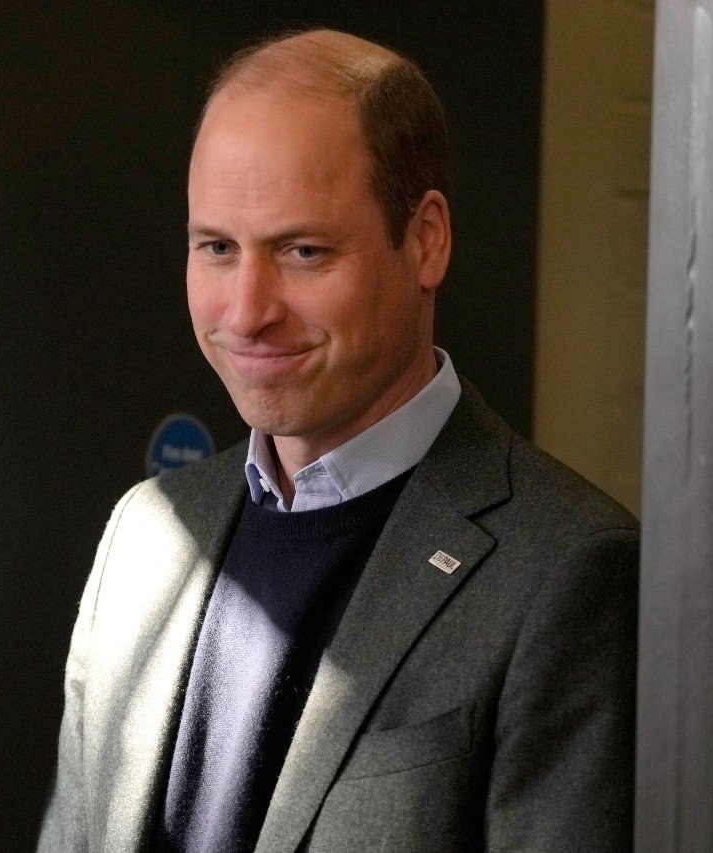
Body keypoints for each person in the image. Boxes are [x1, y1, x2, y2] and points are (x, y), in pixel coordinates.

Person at [38, 29, 638, 853]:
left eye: (303, 251)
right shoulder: (144, 536)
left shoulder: (567, 571)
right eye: (217, 247)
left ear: (426, 239)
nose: (247, 310)